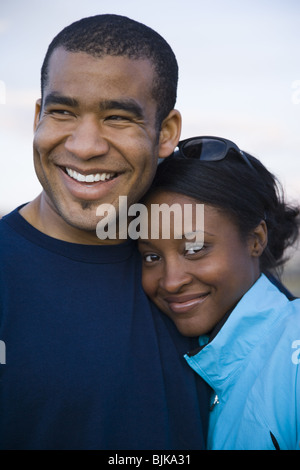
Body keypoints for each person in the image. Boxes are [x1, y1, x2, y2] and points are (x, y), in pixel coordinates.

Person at [0, 15, 209, 450]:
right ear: (38, 116)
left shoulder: (211, 264)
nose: (85, 146)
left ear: (166, 133)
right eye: (62, 111)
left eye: (117, 117)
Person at [138, 136, 300, 450]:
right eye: (151, 257)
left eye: (195, 249)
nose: (171, 282)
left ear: (255, 240)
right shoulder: (191, 356)